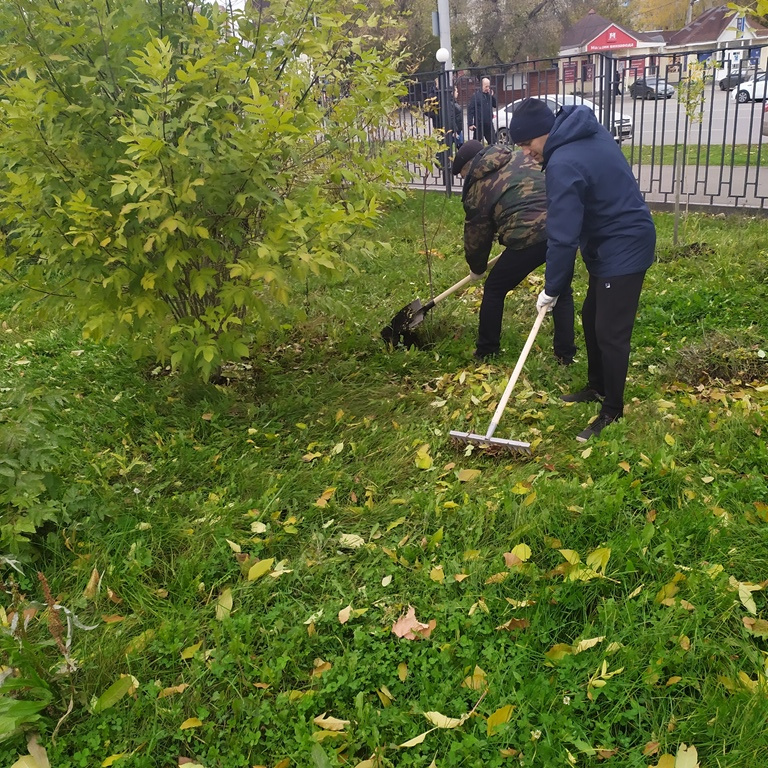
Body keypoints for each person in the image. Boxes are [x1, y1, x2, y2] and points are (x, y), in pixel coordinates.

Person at [508, 98, 656, 442]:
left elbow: (562, 236)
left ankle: (613, 409)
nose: (527, 153)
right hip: (608, 242)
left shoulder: (563, 161)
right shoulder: (584, 132)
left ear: (544, 132)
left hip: (625, 243)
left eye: (528, 144)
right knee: (591, 316)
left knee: (610, 332)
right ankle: (597, 386)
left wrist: (552, 288)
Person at [451, 139, 576, 364]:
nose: (464, 179)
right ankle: (565, 356)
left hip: (528, 237)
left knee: (494, 288)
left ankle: (487, 350)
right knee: (561, 289)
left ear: (470, 167)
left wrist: (477, 268)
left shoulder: (478, 188)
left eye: (462, 174)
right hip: (563, 228)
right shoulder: (521, 156)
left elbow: (477, 237)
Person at [467, 78, 497, 145]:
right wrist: (470, 124)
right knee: (476, 143)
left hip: (489, 123)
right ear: (481, 86)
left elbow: (495, 105)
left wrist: (492, 96)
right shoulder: (476, 96)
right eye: (486, 86)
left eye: (488, 86)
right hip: (479, 124)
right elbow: (470, 110)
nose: (487, 88)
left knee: (493, 142)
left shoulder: (489, 95)